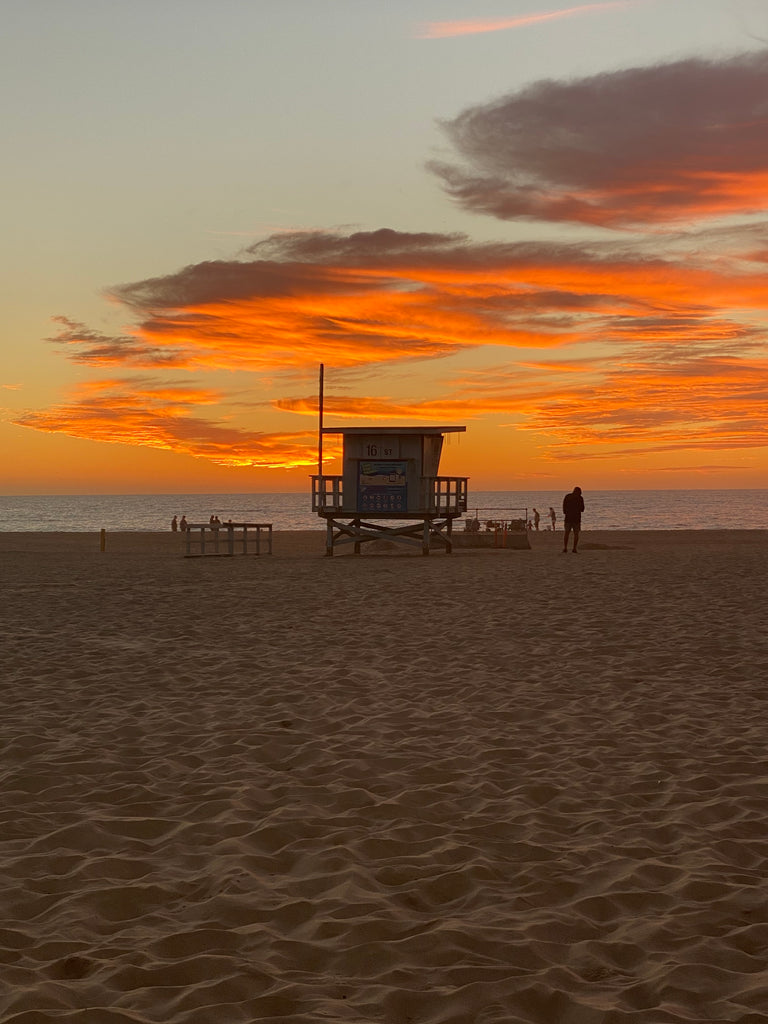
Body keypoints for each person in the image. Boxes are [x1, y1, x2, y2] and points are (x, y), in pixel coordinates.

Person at [562, 487, 584, 553]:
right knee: (576, 534)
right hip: (576, 519)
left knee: (566, 533)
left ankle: (565, 547)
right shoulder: (580, 498)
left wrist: (566, 512)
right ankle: (574, 548)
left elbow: (564, 506)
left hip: (568, 518)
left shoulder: (567, 496)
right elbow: (582, 509)